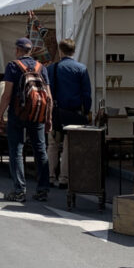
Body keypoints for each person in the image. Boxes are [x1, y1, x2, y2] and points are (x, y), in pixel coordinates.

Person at [0, 37, 52, 203]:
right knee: (40, 150)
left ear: (17, 50)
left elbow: (7, 94)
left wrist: (0, 115)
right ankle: (42, 190)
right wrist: (48, 117)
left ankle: (19, 190)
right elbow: (48, 96)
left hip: (18, 113)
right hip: (38, 114)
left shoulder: (13, 66)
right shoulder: (41, 67)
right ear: (31, 51)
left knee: (17, 151)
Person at [48, 38, 92, 187]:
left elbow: (48, 93)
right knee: (68, 144)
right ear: (74, 51)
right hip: (74, 112)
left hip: (55, 111)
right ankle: (64, 178)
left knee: (53, 143)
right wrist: (87, 111)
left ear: (60, 51)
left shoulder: (51, 69)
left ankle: (50, 175)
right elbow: (86, 93)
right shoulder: (81, 69)